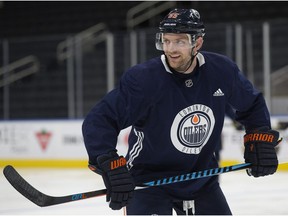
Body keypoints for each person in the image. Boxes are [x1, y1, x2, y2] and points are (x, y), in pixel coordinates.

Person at [82, 8, 280, 215]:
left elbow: (252, 103)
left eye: (180, 41)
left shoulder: (221, 71)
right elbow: (100, 119)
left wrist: (259, 137)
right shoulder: (144, 80)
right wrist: (108, 161)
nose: (171, 49)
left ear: (198, 43)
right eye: (166, 41)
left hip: (202, 179)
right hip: (149, 182)